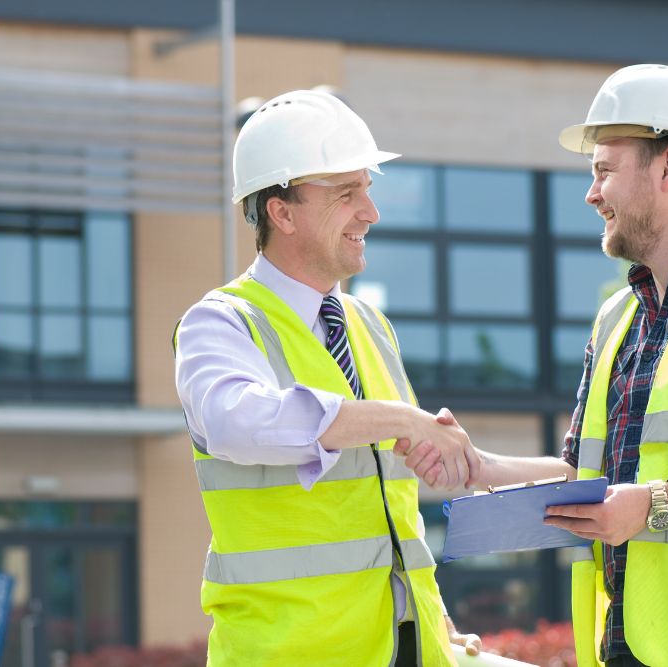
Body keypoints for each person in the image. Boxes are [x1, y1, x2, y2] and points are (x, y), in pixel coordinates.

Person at [399, 64, 668, 666]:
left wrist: (658, 502)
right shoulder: (619, 318)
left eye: (604, 170)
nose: (591, 193)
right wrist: (482, 466)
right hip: (632, 646)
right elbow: (586, 474)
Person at [173, 88, 481, 667]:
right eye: (346, 194)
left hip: (403, 649)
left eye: (367, 188)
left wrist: (429, 622)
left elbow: (392, 506)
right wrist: (402, 420)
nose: (371, 211)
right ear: (281, 212)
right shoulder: (220, 323)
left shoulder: (370, 326)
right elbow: (236, 422)